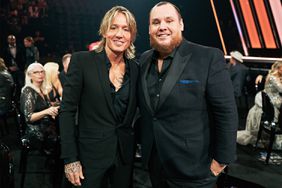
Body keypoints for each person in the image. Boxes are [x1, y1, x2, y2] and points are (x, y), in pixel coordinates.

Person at [137, 2, 238, 188]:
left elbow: (226, 112)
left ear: (181, 24)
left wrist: (221, 161)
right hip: (155, 166)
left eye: (169, 20)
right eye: (156, 22)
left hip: (195, 170)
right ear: (149, 28)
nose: (162, 27)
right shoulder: (143, 60)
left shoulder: (208, 57)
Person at [59, 6, 138, 188]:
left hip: (123, 158)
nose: (120, 34)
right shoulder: (82, 61)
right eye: (113, 27)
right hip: (89, 157)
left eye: (126, 29)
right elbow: (67, 111)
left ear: (132, 35)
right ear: (104, 31)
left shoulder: (136, 68)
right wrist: (70, 159)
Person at [237, 61, 282, 149]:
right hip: (273, 100)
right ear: (278, 68)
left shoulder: (274, 76)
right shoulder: (273, 77)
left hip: (272, 98)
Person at [20, 62, 59, 153]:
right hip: (36, 132)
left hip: (46, 126)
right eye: (36, 72)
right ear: (29, 75)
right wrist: (47, 111)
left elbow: (46, 107)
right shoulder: (28, 91)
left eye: (42, 72)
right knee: (64, 136)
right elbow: (29, 117)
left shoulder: (41, 89)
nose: (40, 74)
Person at [2, 35, 25, 102]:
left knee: (21, 84)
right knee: (11, 85)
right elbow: (3, 60)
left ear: (15, 40)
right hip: (9, 71)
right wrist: (9, 67)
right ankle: (12, 100)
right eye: (10, 39)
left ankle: (21, 99)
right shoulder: (4, 49)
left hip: (19, 69)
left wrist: (19, 67)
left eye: (13, 39)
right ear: (7, 40)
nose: (12, 40)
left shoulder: (20, 47)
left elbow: (24, 58)